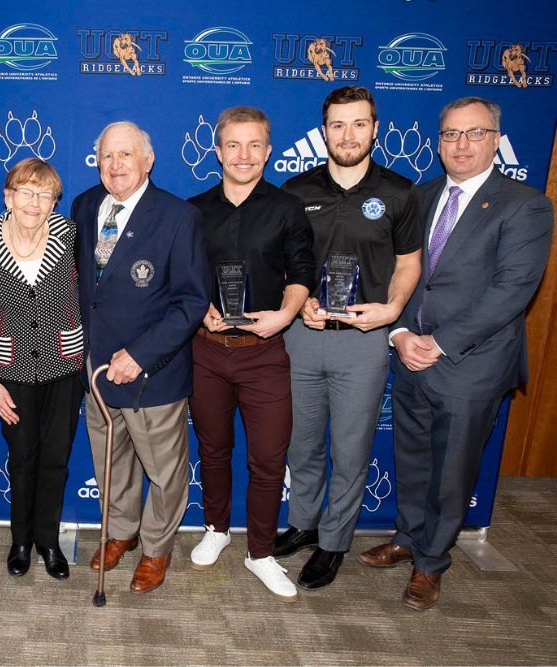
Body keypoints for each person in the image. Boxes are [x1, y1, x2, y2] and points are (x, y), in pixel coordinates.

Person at [360, 97, 552, 610]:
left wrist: (440, 344)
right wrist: (400, 334)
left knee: (452, 471)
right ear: (438, 139)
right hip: (409, 354)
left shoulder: (524, 204)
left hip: (472, 364)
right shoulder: (418, 197)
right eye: (450, 134)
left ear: (495, 139)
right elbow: (393, 275)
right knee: (413, 459)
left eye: (473, 133)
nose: (460, 144)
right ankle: (408, 537)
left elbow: (512, 291)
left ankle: (431, 564)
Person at [278, 85, 422, 590]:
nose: (348, 135)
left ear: (375, 129)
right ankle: (303, 523)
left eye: (359, 124)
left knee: (352, 447)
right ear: (324, 131)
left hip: (364, 340)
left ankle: (334, 541)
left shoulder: (401, 192)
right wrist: (300, 303)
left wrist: (394, 308)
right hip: (303, 333)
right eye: (337, 125)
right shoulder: (296, 191)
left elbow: (408, 262)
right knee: (302, 442)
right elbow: (282, 261)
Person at [73, 121, 209, 594]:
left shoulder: (178, 216)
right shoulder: (86, 205)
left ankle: (155, 549)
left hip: (153, 374)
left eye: (126, 155)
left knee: (165, 472)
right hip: (97, 370)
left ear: (148, 160)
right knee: (111, 460)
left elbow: (192, 302)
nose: (115, 166)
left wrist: (142, 354)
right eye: (107, 156)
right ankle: (121, 533)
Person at [187, 107, 315, 601]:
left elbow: (303, 270)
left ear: (267, 149)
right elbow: (184, 275)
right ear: (217, 151)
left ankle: (260, 551)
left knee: (268, 458)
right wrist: (201, 311)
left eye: (255, 145)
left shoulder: (287, 208)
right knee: (213, 450)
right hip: (207, 352)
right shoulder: (192, 210)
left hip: (265, 352)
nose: (244, 155)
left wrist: (284, 316)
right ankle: (216, 528)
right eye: (233, 145)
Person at [0, 158, 84, 580]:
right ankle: (20, 541)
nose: (35, 202)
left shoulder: (72, 236)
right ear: (8, 196)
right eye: (26, 191)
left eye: (45, 194)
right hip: (11, 368)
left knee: (56, 458)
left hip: (64, 366)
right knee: (21, 458)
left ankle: (48, 541)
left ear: (55, 202)